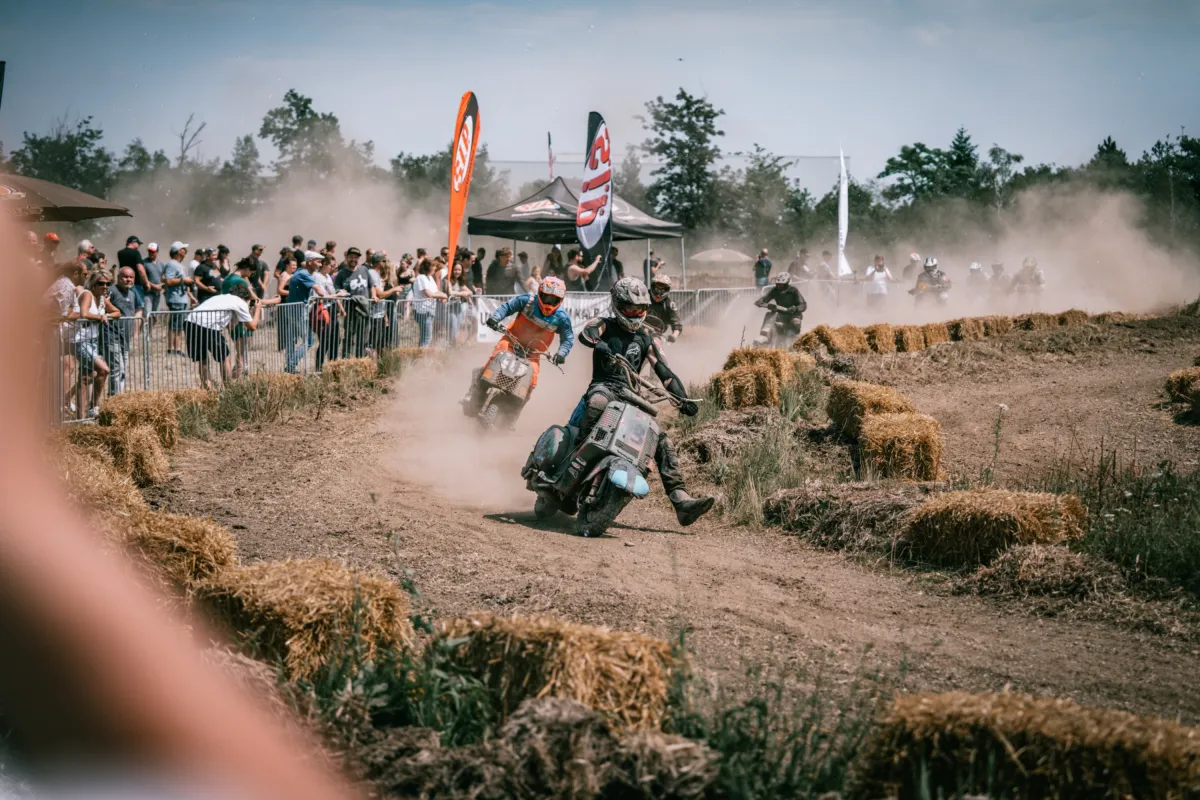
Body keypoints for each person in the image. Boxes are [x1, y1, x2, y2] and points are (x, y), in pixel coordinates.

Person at [569, 278, 714, 526]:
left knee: (661, 440)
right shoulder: (606, 325)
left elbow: (666, 374)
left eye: (641, 309)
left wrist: (683, 399)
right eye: (630, 308)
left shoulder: (647, 338)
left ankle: (681, 500)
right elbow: (586, 334)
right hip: (604, 387)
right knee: (597, 404)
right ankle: (576, 463)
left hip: (632, 396)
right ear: (617, 304)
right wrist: (602, 347)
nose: (636, 314)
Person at [464, 276, 571, 417]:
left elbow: (568, 338)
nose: (549, 302)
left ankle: (512, 416)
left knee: (531, 383)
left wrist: (561, 353)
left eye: (554, 300)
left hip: (534, 353)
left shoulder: (562, 318)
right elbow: (507, 307)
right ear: (540, 292)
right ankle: (477, 383)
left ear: (560, 300)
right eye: (546, 297)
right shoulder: (527, 301)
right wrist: (495, 318)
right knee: (496, 357)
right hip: (511, 342)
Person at [186, 284, 264, 389]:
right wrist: (258, 309)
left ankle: (207, 387)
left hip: (190, 322)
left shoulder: (221, 297)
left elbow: (230, 324)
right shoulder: (240, 302)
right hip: (209, 325)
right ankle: (229, 388)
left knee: (202, 359)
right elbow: (252, 326)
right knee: (224, 358)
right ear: (245, 298)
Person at [73, 270, 116, 416]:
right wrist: (100, 317)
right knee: (104, 370)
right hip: (81, 340)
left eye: (107, 284)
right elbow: (83, 313)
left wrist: (107, 315)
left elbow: (118, 312)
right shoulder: (87, 294)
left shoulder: (102, 298)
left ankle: (80, 417)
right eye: (101, 283)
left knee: (85, 378)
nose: (105, 287)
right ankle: (93, 407)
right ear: (93, 283)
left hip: (92, 341)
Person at [103, 267, 143, 395]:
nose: (128, 280)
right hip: (111, 335)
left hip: (125, 338)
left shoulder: (132, 293)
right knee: (116, 368)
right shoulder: (111, 291)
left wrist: (135, 334)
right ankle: (114, 399)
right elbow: (102, 306)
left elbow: (135, 313)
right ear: (119, 278)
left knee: (123, 369)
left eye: (131, 277)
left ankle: (119, 397)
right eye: (125, 277)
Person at [334, 247, 372, 358]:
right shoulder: (341, 273)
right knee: (349, 335)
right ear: (346, 257)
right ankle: (347, 359)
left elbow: (371, 286)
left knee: (363, 336)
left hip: (364, 309)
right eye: (351, 257)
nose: (353, 259)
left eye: (356, 257)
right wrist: (340, 292)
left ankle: (360, 359)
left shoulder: (364, 270)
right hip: (350, 310)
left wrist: (374, 295)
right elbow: (336, 288)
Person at [753, 272, 807, 345]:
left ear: (787, 283)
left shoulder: (794, 290)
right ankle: (766, 337)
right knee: (770, 317)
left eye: (782, 285)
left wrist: (795, 308)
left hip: (793, 314)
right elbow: (766, 298)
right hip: (781, 314)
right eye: (778, 284)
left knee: (795, 322)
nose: (779, 286)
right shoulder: (775, 290)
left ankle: (795, 342)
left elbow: (803, 304)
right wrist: (760, 301)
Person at [163, 242, 193, 356]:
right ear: (178, 251)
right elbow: (168, 280)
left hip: (181, 298)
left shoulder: (178, 265)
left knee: (179, 325)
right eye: (183, 249)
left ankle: (178, 349)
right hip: (176, 299)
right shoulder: (172, 264)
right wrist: (184, 280)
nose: (185, 251)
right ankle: (171, 349)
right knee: (174, 325)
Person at [411, 257, 447, 348]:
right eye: (433, 266)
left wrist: (443, 294)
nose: (435, 268)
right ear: (428, 267)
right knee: (426, 338)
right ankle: (423, 360)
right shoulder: (421, 278)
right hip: (422, 311)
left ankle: (420, 357)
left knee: (425, 337)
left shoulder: (430, 278)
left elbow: (435, 291)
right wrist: (442, 296)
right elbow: (429, 294)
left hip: (429, 311)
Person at [443, 259, 475, 346]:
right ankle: (451, 345)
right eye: (455, 269)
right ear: (452, 270)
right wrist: (462, 294)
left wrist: (466, 294)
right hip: (449, 308)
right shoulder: (447, 279)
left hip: (458, 307)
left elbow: (470, 292)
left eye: (459, 270)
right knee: (453, 325)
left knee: (460, 326)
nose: (457, 272)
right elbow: (450, 292)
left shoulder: (460, 281)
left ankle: (456, 345)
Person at [647, 274, 682, 342]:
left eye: (662, 290)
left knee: (653, 349)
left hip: (656, 335)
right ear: (652, 286)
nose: (658, 293)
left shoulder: (669, 305)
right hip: (637, 331)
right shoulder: (642, 298)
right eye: (656, 289)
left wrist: (673, 336)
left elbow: (677, 325)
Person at [139, 242, 164, 319]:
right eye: (149, 251)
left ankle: (150, 330)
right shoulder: (144, 263)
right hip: (147, 293)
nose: (151, 253)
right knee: (147, 314)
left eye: (153, 251)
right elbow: (142, 278)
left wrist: (162, 286)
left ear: (157, 252)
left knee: (155, 316)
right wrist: (154, 286)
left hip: (158, 294)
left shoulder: (161, 264)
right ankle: (145, 331)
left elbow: (163, 277)